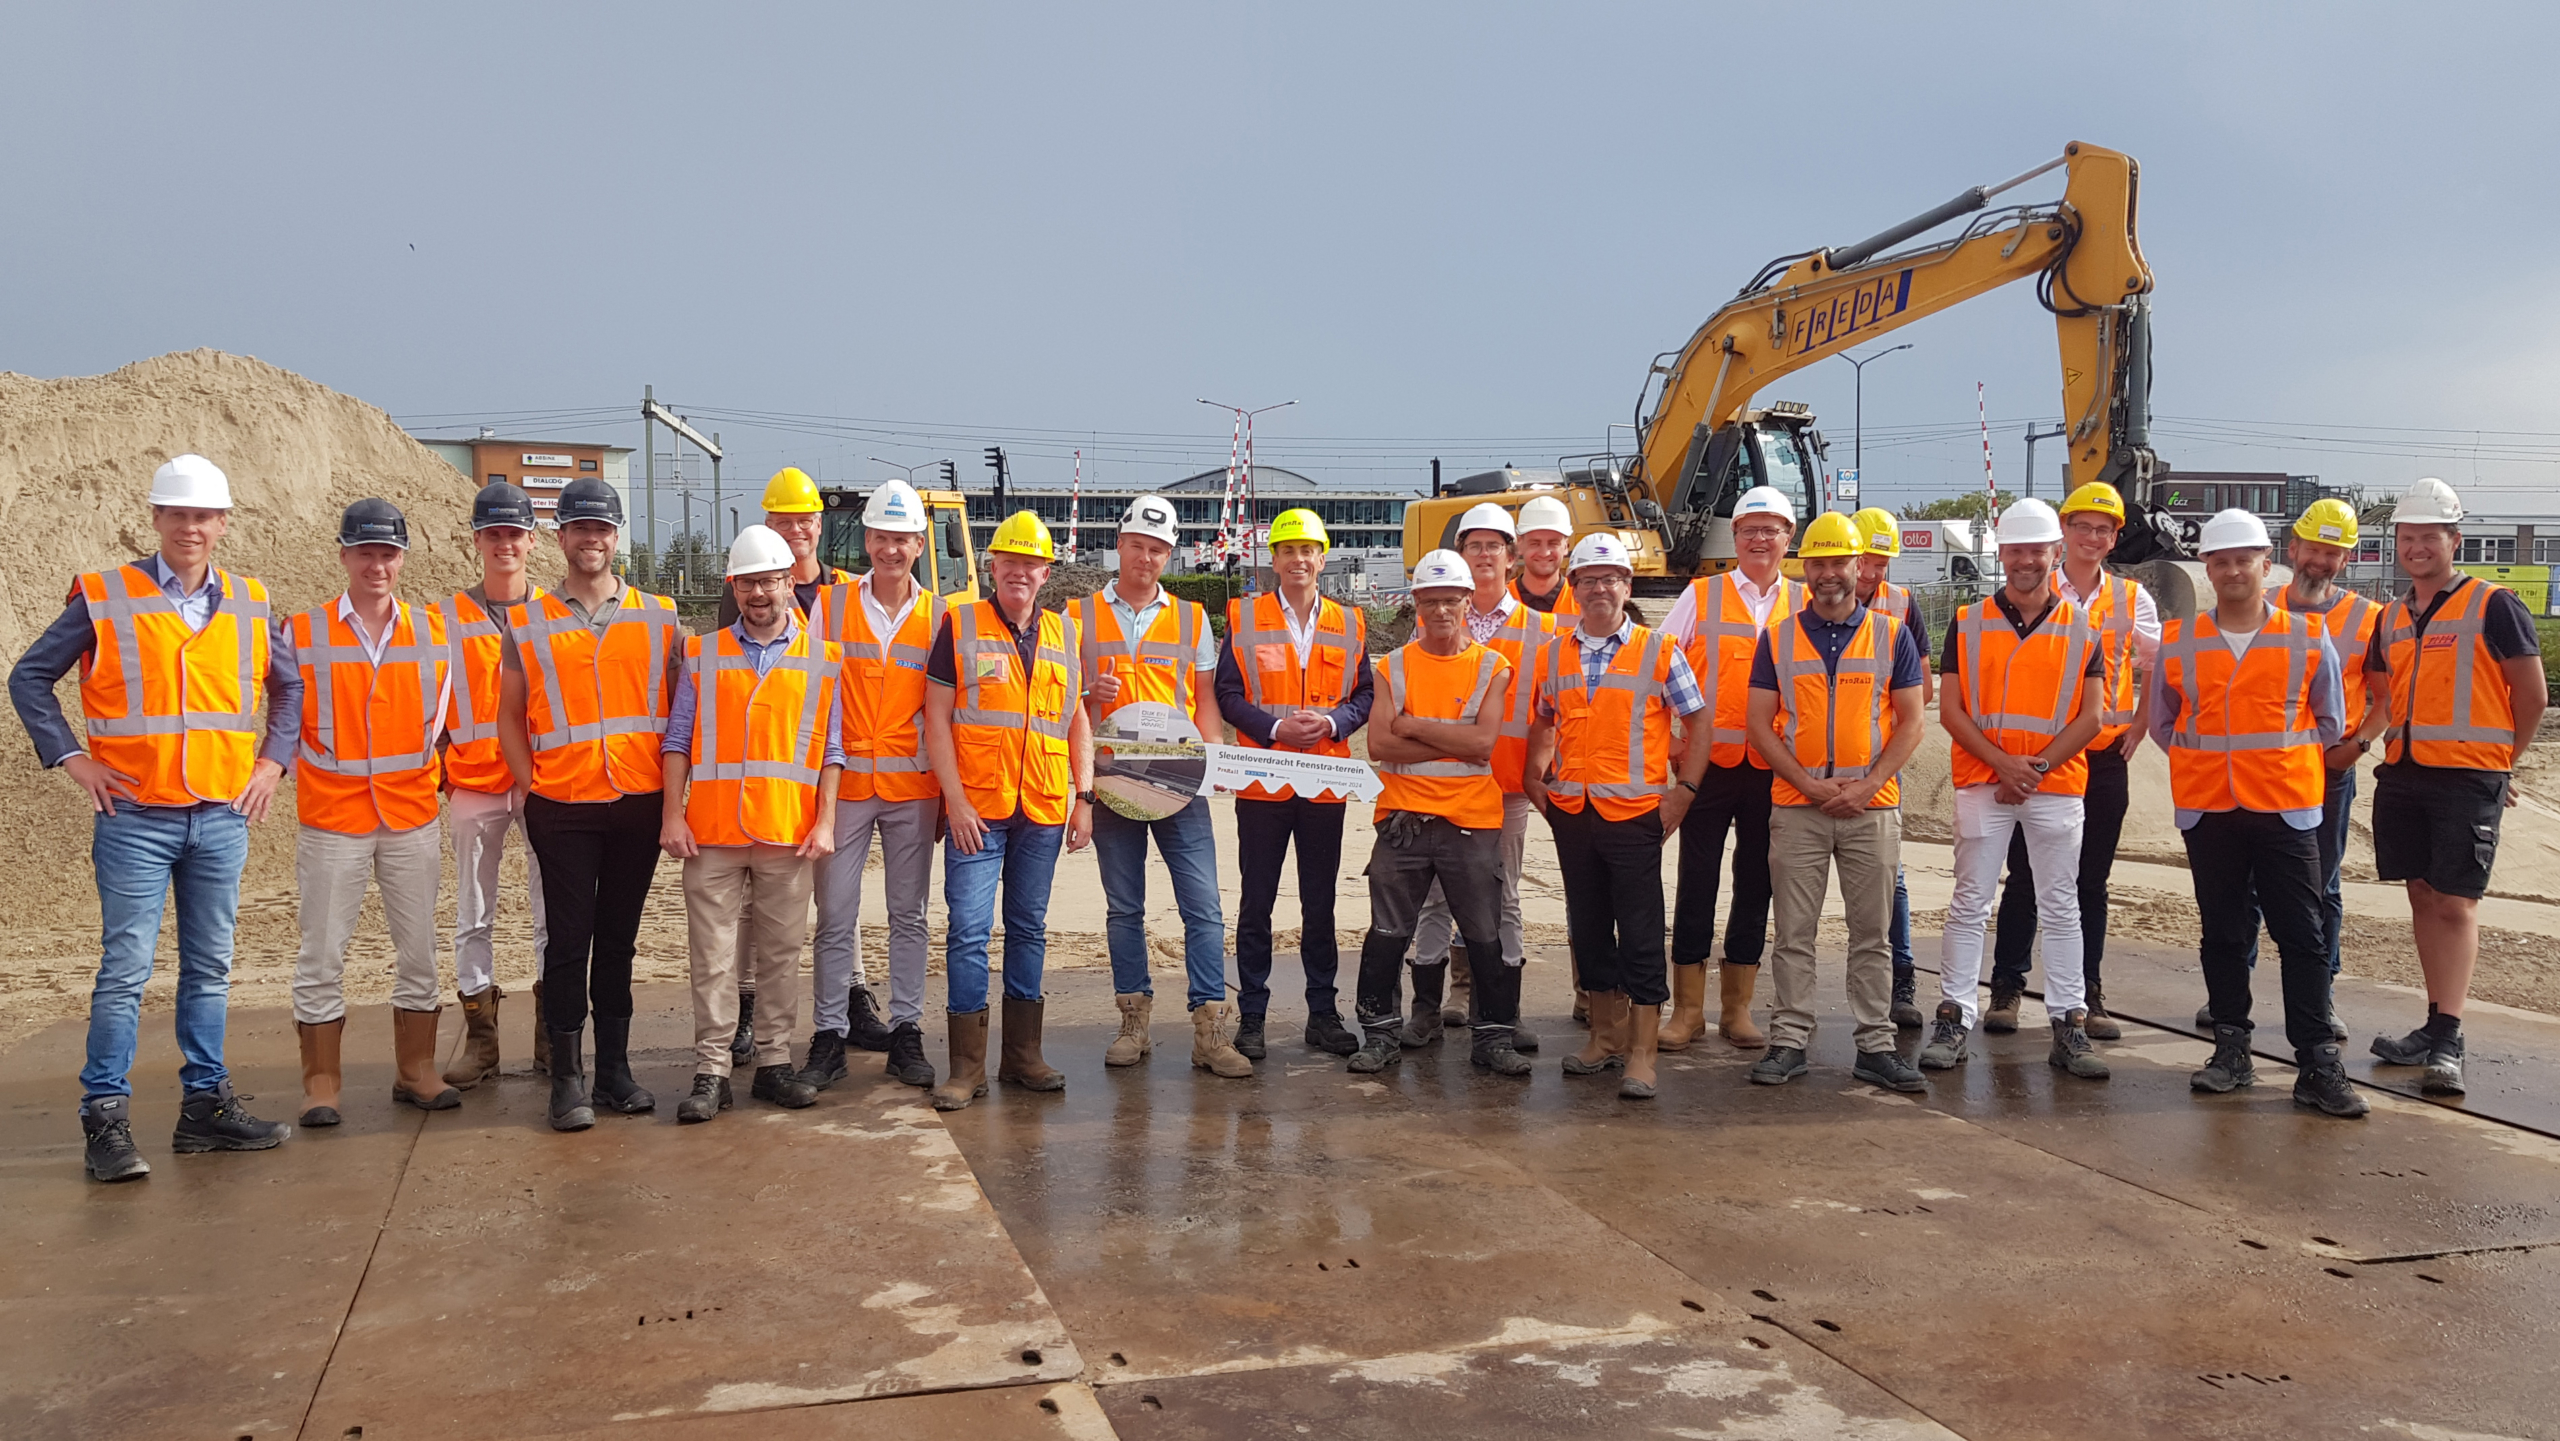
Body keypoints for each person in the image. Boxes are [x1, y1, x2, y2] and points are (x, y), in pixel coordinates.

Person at [9, 454, 297, 1181]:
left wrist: (272, 763)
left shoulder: (250, 600)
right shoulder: (105, 595)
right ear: (156, 519)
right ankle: (104, 1117)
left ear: (223, 523)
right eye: (178, 514)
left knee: (209, 968)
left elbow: (287, 689)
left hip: (221, 814)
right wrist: (72, 757)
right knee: (125, 972)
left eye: (204, 515)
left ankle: (204, 1108)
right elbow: (30, 677)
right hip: (135, 815)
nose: (191, 527)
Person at [2155, 510, 2365, 1117]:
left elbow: (2328, 721)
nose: (2232, 570)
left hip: (2287, 810)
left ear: (2265, 564)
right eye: (2220, 561)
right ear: (2207, 570)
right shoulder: (2180, 638)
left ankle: (2318, 1061)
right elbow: (2164, 725)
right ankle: (2231, 1049)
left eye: (2243, 559)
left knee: (2302, 935)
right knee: (2222, 934)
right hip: (2210, 811)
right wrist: (2210, 768)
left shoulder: (2306, 636)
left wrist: (2272, 764)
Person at [499, 476, 686, 1132]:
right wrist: (528, 787)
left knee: (618, 942)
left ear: (616, 536)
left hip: (636, 801)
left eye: (602, 529)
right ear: (562, 537)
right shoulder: (527, 622)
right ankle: (567, 1078)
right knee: (567, 940)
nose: (591, 539)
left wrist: (672, 799)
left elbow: (680, 715)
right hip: (562, 804)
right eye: (580, 528)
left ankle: (614, 1070)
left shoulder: (660, 615)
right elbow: (509, 717)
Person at [2348, 478, 2546, 1096]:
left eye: (2429, 536)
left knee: (2457, 903)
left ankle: (2451, 1036)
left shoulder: (2493, 605)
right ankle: (2433, 1026)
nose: (2416, 547)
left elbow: (2532, 696)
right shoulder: (2392, 616)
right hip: (2406, 774)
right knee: (2423, 896)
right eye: (2406, 537)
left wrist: (2500, 764)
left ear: (2453, 540)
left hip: (2468, 777)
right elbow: (2383, 694)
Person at [1918, 499, 2110, 1081]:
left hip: (2053, 785)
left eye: (2037, 550)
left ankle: (2068, 1023)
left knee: (2060, 905)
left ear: (2057, 553)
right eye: (2015, 550)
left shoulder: (2083, 630)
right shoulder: (1968, 622)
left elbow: (2092, 717)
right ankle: (1954, 1015)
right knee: (1969, 901)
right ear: (2001, 554)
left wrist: (2035, 768)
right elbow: (1950, 709)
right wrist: (2005, 766)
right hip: (1985, 782)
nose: (2026, 560)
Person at [280, 499, 457, 1125]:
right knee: (322, 951)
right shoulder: (301, 632)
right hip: (333, 816)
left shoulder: (435, 632)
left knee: (419, 950)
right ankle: (322, 1081)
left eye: (387, 553)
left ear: (402, 558)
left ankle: (417, 1070)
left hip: (410, 813)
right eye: (365, 552)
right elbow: (282, 717)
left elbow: (441, 720)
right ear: (344, 556)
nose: (376, 564)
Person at [663, 526, 844, 1121]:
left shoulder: (821, 659)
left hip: (787, 834)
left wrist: (824, 823)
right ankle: (712, 1071)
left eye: (769, 581)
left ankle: (772, 1064)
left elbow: (831, 752)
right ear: (733, 588)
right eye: (748, 584)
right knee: (711, 959)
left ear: (790, 582)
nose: (759, 593)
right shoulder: (703, 654)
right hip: (711, 834)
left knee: (780, 955)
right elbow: (679, 741)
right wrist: (672, 815)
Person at [1743, 514, 1929, 1091]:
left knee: (1870, 933)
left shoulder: (1890, 634)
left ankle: (1875, 1043)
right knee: (1794, 931)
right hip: (1799, 808)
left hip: (1870, 809)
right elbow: (1758, 723)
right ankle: (1790, 1039)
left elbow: (1912, 721)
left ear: (1858, 567)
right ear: (1806, 570)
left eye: (1838, 562)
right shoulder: (1777, 638)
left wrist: (1869, 786)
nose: (1829, 575)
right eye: (1818, 563)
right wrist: (1808, 782)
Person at [921, 511, 1094, 1112]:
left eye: (1031, 563)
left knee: (1028, 929)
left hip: (1043, 807)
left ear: (1047, 572)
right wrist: (956, 802)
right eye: (1009, 562)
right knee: (968, 933)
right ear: (993, 565)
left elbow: (1076, 719)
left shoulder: (1065, 635)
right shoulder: (960, 623)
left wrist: (1085, 796)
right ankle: (966, 1066)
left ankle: (1022, 1055)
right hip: (978, 811)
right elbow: (936, 719)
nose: (1019, 572)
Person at [1525, 535, 1710, 1098]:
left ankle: (1643, 1051)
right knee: (1588, 925)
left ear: (1627, 588)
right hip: (1574, 814)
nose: (1600, 589)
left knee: (1640, 929)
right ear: (1574, 589)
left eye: (1611, 579)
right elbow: (1544, 720)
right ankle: (1604, 1037)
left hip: (1635, 816)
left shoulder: (1659, 649)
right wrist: (1537, 780)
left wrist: (1685, 791)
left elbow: (1698, 723)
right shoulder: (1554, 652)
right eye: (1589, 580)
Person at [1982, 482, 2158, 1042]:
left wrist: (2141, 722)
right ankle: (2007, 988)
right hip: (2037, 763)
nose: (2093, 537)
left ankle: (2087, 992)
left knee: (2090, 882)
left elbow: (2152, 663)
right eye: (2082, 526)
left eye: (2104, 529)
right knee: (2026, 879)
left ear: (2113, 539)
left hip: (2102, 759)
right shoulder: (2028, 588)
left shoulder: (2133, 600)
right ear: (2063, 531)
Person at [1074, 494, 1242, 1075]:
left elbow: (1205, 703)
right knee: (1125, 908)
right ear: (1119, 544)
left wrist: (1213, 762)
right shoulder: (1077, 615)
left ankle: (1210, 1030)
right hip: (1112, 778)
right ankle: (1133, 1021)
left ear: (1169, 555)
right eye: (1137, 546)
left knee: (1204, 909)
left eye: (1157, 550)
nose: (1146, 558)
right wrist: (1086, 698)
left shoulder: (1193, 618)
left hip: (1178, 783)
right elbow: (1062, 700)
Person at [1349, 551, 1528, 1077]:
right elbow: (1380, 744)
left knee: (1483, 931)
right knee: (1387, 930)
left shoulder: (1493, 666)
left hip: (1471, 820)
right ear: (1416, 604)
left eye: (1452, 600)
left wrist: (1414, 727)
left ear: (1468, 601)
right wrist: (1446, 738)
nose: (1442, 610)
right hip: (1403, 819)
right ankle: (1380, 1033)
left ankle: (1492, 1037)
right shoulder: (1393, 665)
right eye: (1431, 601)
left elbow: (1482, 745)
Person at [717, 468, 870, 1069]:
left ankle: (853, 998)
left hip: (824, 769)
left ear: (819, 523)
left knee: (838, 898)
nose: (797, 528)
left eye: (805, 518)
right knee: (758, 909)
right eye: (784, 519)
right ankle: (748, 1009)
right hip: (767, 772)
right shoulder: (749, 589)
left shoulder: (844, 591)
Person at [1217, 507, 1373, 1058]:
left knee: (1320, 903)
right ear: (1273, 559)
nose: (1298, 559)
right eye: (1288, 551)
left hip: (1324, 783)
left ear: (1322, 557)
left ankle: (1322, 1014)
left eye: (1308, 550)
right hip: (1262, 782)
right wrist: (1276, 726)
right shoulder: (1244, 616)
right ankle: (1253, 1014)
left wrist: (1332, 724)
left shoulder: (1350, 623)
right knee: (1256, 902)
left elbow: (1364, 697)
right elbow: (1228, 694)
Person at [805, 479, 944, 1092]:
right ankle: (829, 1033)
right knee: (835, 916)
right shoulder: (830, 608)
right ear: (867, 541)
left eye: (902, 540)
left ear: (919, 543)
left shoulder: (941, 615)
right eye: (881, 538)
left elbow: (949, 711)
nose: (890, 550)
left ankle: (907, 1030)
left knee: (907, 916)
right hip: (844, 790)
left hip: (914, 791)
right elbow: (809, 700)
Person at [1658, 485, 1801, 1050]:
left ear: (1788, 539)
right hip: (1707, 765)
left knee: (1757, 883)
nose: (1760, 539)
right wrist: (1671, 743)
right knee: (1697, 881)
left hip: (1774, 769)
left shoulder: (1804, 600)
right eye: (1749, 529)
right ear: (1734, 537)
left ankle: (1737, 1008)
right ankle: (1687, 1010)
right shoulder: (1701, 595)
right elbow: (1659, 663)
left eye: (1771, 529)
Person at [1406, 502, 1550, 1053]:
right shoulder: (1436, 625)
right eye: (1475, 545)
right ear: (1462, 557)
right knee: (1435, 900)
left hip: (1506, 788)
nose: (1485, 554)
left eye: (1495, 545)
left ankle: (1504, 1013)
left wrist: (1538, 776)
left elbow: (1547, 713)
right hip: (1438, 786)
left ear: (1511, 558)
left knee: (1503, 899)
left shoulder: (1542, 629)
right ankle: (1426, 1011)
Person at [2248, 497, 2383, 1038]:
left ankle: (2319, 998)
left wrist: (2358, 745)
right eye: (2313, 549)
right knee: (2248, 885)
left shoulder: (2366, 619)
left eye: (2333, 553)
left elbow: (2386, 698)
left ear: (2344, 559)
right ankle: (2234, 992)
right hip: (2259, 767)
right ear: (2292, 548)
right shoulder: (2258, 605)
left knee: (2320, 885)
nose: (2320, 561)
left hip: (2327, 773)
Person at [437, 481, 546, 1088]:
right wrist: (441, 776)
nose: (504, 544)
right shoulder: (443, 617)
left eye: (514, 533)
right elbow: (427, 706)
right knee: (474, 915)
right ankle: (481, 1044)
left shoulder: (549, 616)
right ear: (477, 540)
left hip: (540, 784)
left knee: (549, 913)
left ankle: (551, 1039)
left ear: (531, 540)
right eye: (493, 534)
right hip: (475, 785)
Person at [1849, 505, 1933, 1028]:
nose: (1873, 572)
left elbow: (1921, 691)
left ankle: (1901, 980)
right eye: (1866, 560)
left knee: (1891, 878)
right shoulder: (1806, 600)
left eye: (1882, 562)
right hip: (1812, 765)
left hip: (1880, 764)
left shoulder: (1901, 605)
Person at [1509, 494, 1580, 619]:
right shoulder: (1498, 601)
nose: (1544, 553)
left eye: (1553, 543)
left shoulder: (1583, 602)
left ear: (1566, 546)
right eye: (1535, 543)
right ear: (1519, 545)